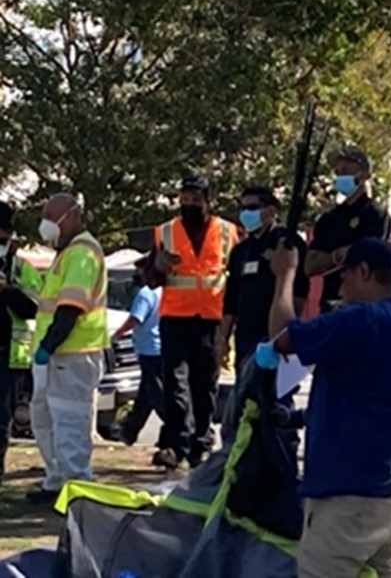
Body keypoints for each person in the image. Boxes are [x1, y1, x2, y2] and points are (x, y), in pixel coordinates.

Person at [256, 237, 391, 578]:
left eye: (345, 276)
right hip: (389, 495)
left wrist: (285, 275)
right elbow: (371, 395)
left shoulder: (358, 319)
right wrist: (303, 418)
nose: (341, 286)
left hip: (345, 497)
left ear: (363, 271)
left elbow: (281, 338)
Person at [146, 177, 238, 469]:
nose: (189, 205)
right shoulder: (166, 232)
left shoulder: (228, 232)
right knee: (176, 384)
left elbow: (234, 277)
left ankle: (200, 442)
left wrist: (230, 325)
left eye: (195, 200)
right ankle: (177, 444)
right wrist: (158, 265)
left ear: (208, 201)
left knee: (205, 385)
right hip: (175, 318)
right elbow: (149, 277)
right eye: (184, 199)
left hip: (212, 319)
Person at [29, 194, 108, 504]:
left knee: (69, 420)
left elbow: (70, 309)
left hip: (73, 353)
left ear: (71, 217)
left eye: (51, 215)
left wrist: (49, 345)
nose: (45, 223)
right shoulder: (67, 253)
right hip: (57, 354)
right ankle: (56, 480)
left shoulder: (82, 254)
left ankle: (76, 487)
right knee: (46, 418)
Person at [219, 186, 309, 376]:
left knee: (275, 396)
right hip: (245, 334)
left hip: (274, 333)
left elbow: (300, 289)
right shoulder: (240, 251)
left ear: (271, 211)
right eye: (242, 208)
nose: (245, 213)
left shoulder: (286, 243)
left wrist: (287, 330)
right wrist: (223, 338)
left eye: (252, 207)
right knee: (246, 396)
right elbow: (232, 298)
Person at [305, 146, 391, 312]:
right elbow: (310, 265)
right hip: (330, 305)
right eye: (337, 172)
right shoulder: (329, 219)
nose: (340, 176)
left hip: (362, 306)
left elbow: (368, 256)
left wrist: (333, 258)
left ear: (364, 174)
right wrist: (336, 256)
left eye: (346, 171)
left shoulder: (374, 213)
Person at [0, 202, 42, 485]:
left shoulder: (23, 269)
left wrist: (7, 290)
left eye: (3, 235)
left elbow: (34, 307)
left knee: (0, 421)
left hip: (9, 356)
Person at [112, 256, 164, 448]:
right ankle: (129, 432)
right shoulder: (162, 291)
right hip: (159, 348)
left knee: (156, 395)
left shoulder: (146, 294)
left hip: (149, 349)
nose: (137, 274)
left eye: (140, 270)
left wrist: (117, 334)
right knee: (146, 395)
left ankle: (176, 428)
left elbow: (136, 318)